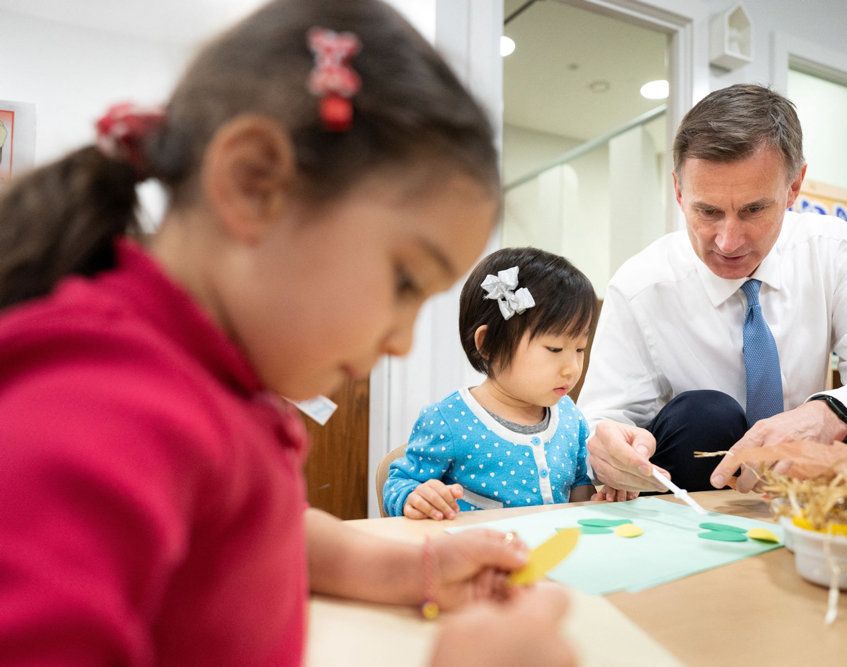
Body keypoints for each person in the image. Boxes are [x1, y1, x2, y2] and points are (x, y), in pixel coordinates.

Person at [0, 1, 575, 664]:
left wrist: (411, 567)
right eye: (404, 281)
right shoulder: (99, 409)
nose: (403, 343)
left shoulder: (202, 377)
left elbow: (256, 526)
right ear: (252, 183)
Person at [578, 83, 847, 496]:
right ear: (678, 190)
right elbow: (601, 420)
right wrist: (606, 446)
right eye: (707, 211)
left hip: (812, 479)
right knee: (707, 414)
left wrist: (826, 414)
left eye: (754, 210)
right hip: (693, 482)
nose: (728, 241)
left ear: (794, 187)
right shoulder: (639, 286)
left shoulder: (833, 248)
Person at [383, 246, 600, 519]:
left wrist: (602, 498)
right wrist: (413, 497)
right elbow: (400, 483)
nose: (572, 368)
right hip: (478, 557)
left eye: (580, 349)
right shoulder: (450, 421)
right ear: (489, 345)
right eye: (555, 349)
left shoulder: (570, 417)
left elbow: (578, 485)